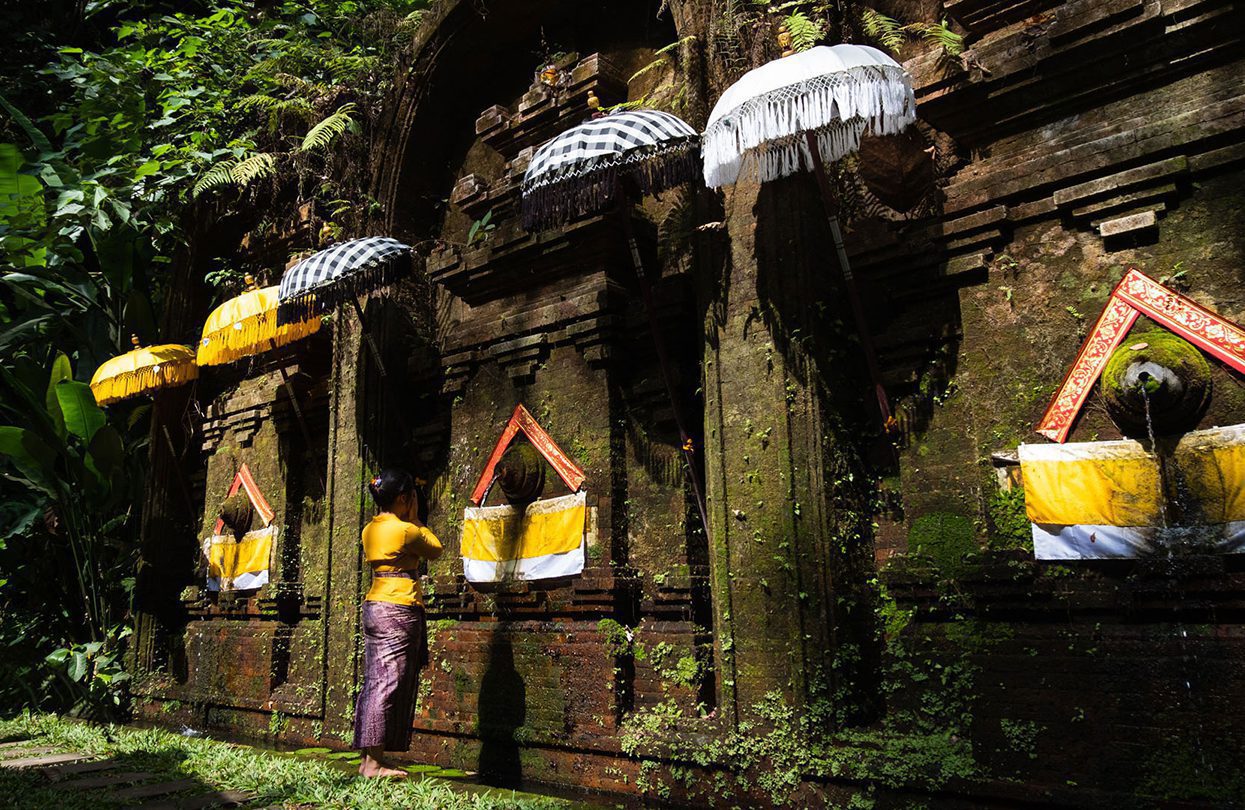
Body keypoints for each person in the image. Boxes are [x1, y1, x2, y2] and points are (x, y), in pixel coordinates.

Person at [352, 468, 442, 778]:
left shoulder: (369, 530)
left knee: (375, 682)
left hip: (375, 604)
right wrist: (416, 518)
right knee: (387, 683)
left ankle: (368, 759)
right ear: (404, 499)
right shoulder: (405, 531)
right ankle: (374, 764)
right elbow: (436, 549)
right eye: (411, 499)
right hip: (397, 608)